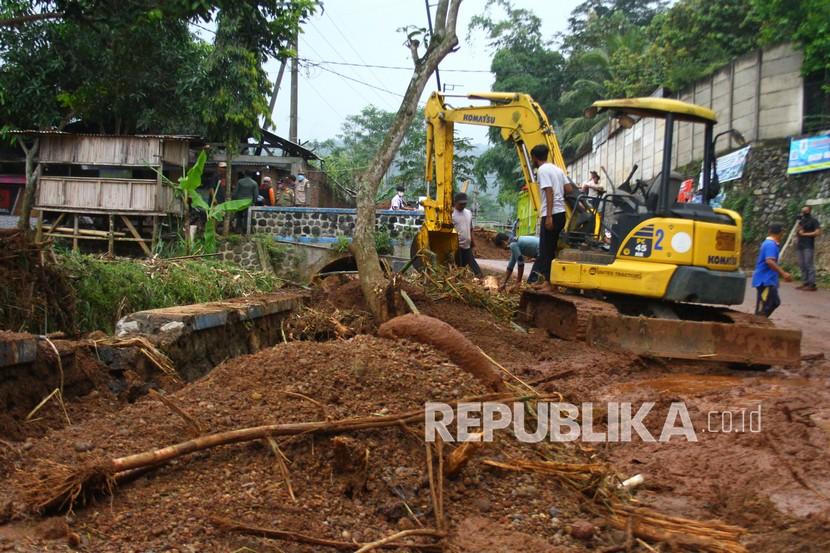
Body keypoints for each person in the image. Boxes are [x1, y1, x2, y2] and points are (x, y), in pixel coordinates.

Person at [528, 144, 572, 289]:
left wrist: (548, 217)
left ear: (534, 157)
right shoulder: (557, 169)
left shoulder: (542, 170)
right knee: (553, 248)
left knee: (546, 249)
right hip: (561, 213)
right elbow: (569, 189)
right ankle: (551, 282)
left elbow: (549, 191)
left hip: (551, 213)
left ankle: (548, 283)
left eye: (531, 157)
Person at [752, 223, 792, 318]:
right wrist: (783, 273)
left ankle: (760, 322)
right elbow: (769, 261)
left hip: (765, 280)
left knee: (769, 303)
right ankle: (759, 323)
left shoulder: (768, 244)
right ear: (781, 233)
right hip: (765, 281)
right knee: (770, 303)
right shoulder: (771, 245)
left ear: (770, 231)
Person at [452, 192, 482, 277]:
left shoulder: (468, 213)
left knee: (477, 271)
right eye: (461, 204)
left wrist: (474, 245)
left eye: (464, 204)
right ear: (455, 202)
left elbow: (470, 229)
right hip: (457, 249)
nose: (463, 206)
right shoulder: (451, 215)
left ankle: (481, 280)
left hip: (467, 247)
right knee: (459, 270)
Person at [796, 205, 821, 291]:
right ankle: (805, 282)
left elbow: (817, 232)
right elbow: (798, 232)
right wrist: (799, 227)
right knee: (801, 264)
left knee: (808, 264)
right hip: (800, 245)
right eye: (803, 210)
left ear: (809, 210)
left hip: (808, 245)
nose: (804, 211)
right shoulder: (801, 221)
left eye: (805, 210)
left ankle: (812, 284)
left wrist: (805, 234)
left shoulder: (814, 221)